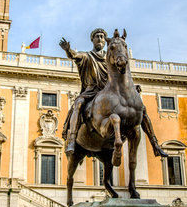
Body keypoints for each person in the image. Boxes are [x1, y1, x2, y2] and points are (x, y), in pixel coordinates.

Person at [60, 28, 167, 157]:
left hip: (111, 92)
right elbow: (75, 55)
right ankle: (72, 139)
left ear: (105, 41)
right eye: (97, 36)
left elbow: (122, 76)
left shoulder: (112, 56)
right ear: (92, 40)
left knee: (141, 109)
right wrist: (68, 50)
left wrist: (131, 88)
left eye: (102, 37)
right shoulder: (87, 56)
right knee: (78, 103)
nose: (100, 38)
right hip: (91, 92)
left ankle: (155, 143)